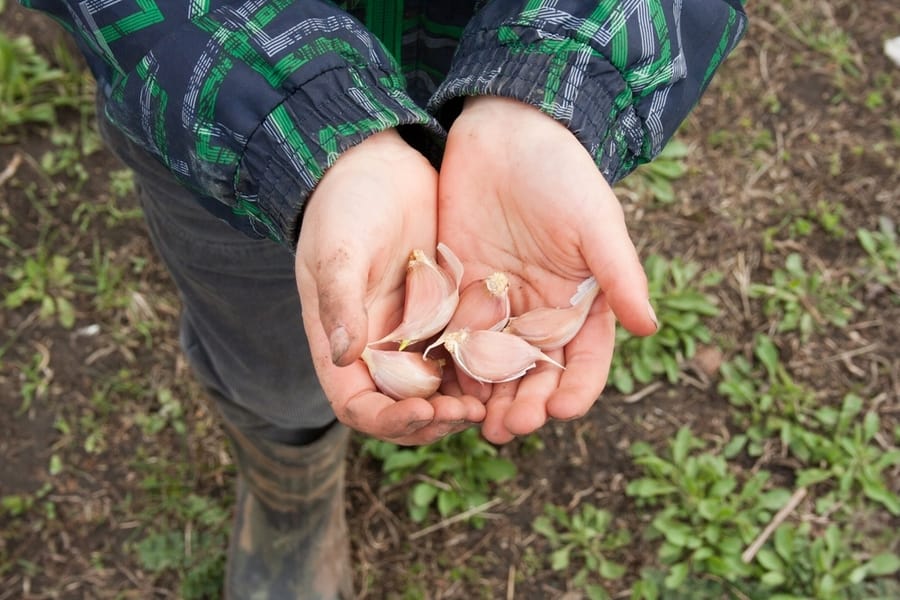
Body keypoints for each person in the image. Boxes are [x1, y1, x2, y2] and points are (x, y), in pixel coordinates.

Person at [20, 1, 748, 597]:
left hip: (498, 71)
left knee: (338, 331)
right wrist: (296, 120)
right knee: (272, 361)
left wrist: (559, 79)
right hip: (223, 122)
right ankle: (290, 491)